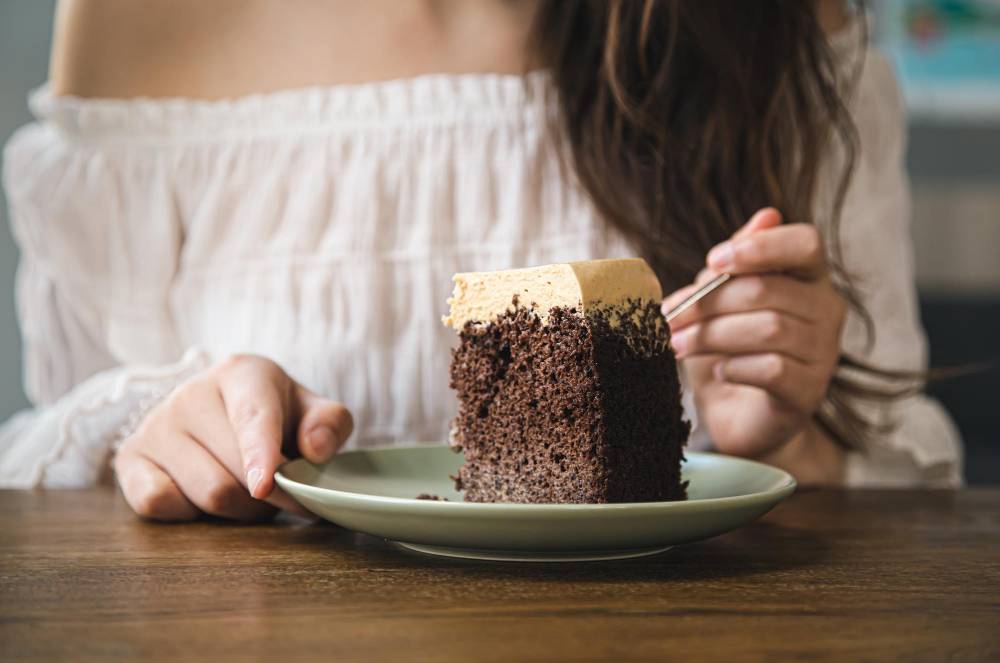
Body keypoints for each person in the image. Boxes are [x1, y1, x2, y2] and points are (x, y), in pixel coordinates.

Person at [0, 0, 962, 520]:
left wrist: (783, 436)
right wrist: (163, 428)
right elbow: (58, 486)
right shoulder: (141, 19)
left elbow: (911, 514)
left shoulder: (778, 24)